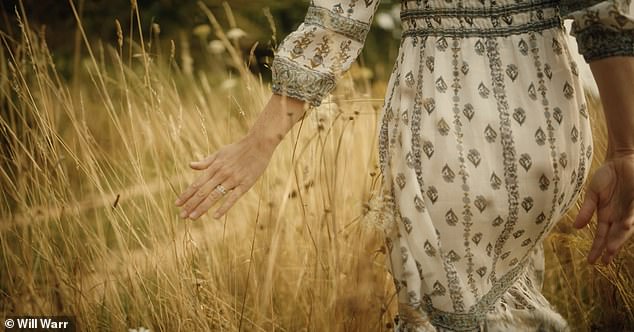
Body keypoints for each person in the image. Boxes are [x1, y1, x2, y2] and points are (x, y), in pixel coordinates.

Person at [175, 0, 634, 330]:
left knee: (451, 315)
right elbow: (606, 12)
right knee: (504, 300)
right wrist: (624, 151)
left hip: (448, 118)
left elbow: (340, 19)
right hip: (550, 121)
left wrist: (261, 140)